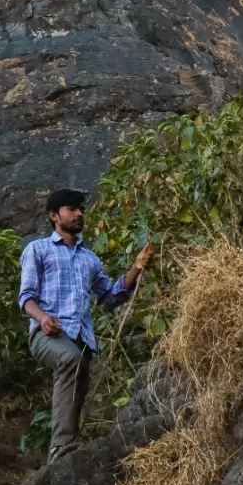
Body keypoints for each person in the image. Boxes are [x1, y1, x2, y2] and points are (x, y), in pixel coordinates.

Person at [19, 187, 153, 464]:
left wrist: (137, 267)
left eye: (81, 209)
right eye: (72, 209)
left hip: (82, 338)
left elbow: (110, 296)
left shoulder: (89, 258)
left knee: (78, 389)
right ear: (54, 215)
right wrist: (42, 318)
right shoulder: (38, 249)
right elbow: (26, 298)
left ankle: (66, 456)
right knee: (69, 361)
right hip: (47, 333)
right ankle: (60, 448)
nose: (80, 213)